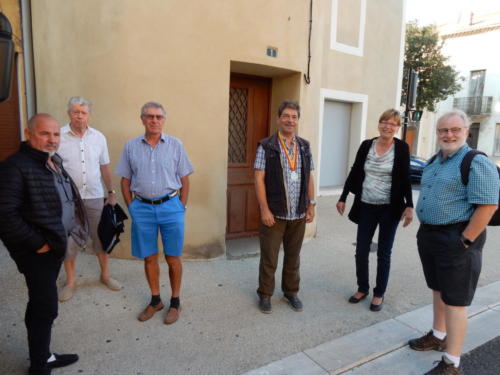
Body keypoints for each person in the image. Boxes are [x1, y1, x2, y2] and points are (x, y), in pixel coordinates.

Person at [408, 110, 499, 375]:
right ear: (437, 133)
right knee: (438, 290)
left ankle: (452, 363)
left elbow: (488, 206)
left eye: (455, 130)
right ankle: (438, 334)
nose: (448, 135)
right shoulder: (435, 161)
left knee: (456, 301)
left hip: (457, 238)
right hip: (430, 235)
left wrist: (466, 240)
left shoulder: (475, 161)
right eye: (443, 130)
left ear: (466, 132)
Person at [0, 114, 87, 374]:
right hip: (38, 252)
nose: (52, 139)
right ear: (29, 134)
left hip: (53, 247)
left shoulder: (51, 161)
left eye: (56, 134)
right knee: (44, 307)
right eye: (44, 134)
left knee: (42, 304)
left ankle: (43, 355)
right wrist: (38, 244)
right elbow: (5, 215)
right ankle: (39, 364)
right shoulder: (15, 166)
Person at [115, 101, 193, 324]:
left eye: (159, 117)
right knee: (149, 257)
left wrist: (181, 206)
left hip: (171, 208)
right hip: (142, 209)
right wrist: (132, 207)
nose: (154, 120)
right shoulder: (131, 146)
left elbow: (185, 179)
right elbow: (125, 179)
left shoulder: (176, 145)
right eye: (149, 116)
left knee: (173, 257)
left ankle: (175, 302)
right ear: (142, 119)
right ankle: (155, 300)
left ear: (164, 120)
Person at [336, 109, 413, 312]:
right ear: (379, 124)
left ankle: (379, 293)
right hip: (367, 206)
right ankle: (363, 288)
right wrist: (343, 197)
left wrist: (410, 205)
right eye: (384, 122)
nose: (387, 126)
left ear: (397, 128)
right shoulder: (366, 145)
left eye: (393, 124)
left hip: (390, 208)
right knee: (361, 250)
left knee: (384, 253)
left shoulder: (402, 148)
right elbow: (355, 170)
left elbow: (405, 178)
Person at [57, 96, 122, 302]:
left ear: (89, 115)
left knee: (100, 237)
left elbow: (104, 167)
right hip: (68, 200)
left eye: (83, 112)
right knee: (70, 241)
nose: (79, 116)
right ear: (69, 114)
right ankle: (70, 282)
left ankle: (105, 276)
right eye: (75, 112)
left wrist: (111, 192)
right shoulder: (59, 136)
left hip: (95, 196)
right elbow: (51, 167)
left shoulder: (98, 137)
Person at [254, 100, 316, 314]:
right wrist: (264, 209)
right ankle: (265, 294)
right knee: (269, 257)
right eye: (286, 116)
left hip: (298, 212)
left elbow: (309, 177)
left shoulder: (305, 146)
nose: (290, 120)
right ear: (278, 118)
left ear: (298, 120)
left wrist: (312, 204)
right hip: (275, 213)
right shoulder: (266, 145)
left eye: (294, 117)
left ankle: (291, 292)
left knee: (293, 256)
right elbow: (259, 178)